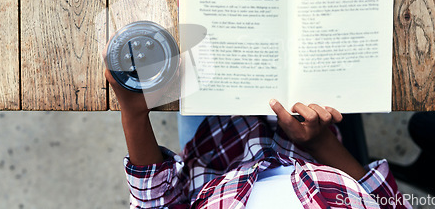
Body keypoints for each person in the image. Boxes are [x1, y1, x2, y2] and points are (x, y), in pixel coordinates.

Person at [106, 69, 411, 209]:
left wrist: (134, 114)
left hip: (212, 138)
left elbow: (157, 202)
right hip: (306, 121)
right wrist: (318, 141)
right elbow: (382, 197)